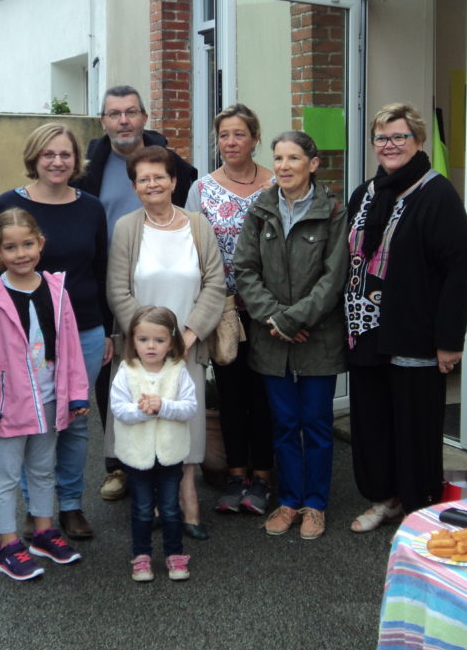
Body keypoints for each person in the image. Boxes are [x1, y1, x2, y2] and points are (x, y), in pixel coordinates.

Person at [345, 103, 467, 533]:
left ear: (418, 141)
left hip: (415, 332)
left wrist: (449, 339)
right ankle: (384, 498)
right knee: (373, 422)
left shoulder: (436, 193)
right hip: (365, 330)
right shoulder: (366, 192)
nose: (390, 145)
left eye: (400, 137)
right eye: (382, 138)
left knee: (415, 424)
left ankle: (420, 509)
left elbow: (461, 265)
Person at [0, 123, 112, 540]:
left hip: (86, 330)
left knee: (72, 419)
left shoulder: (90, 206)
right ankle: (37, 511)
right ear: (34, 158)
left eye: (65, 154)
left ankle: (70, 505)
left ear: (77, 160)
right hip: (26, 335)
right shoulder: (10, 203)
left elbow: (103, 269)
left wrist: (108, 331)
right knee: (30, 420)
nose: (57, 162)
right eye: (48, 154)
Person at [78, 85, 198, 503]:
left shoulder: (171, 164)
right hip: (112, 285)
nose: (123, 121)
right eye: (114, 114)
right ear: (104, 121)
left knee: (167, 376)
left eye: (131, 112)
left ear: (144, 117)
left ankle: (167, 461)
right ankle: (119, 466)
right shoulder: (89, 165)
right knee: (114, 376)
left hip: (163, 283)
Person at [107, 145, 225, 540]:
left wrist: (188, 334)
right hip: (142, 351)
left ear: (175, 181)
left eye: (160, 176)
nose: (152, 183)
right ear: (135, 186)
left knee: (183, 421)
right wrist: (147, 342)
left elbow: (215, 283)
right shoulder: (127, 228)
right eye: (144, 178)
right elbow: (119, 290)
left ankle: (188, 501)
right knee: (145, 419)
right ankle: (155, 501)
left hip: (188, 344)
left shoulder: (197, 224)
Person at [233, 131, 347, 540]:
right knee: (282, 423)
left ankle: (315, 505)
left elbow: (335, 278)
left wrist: (296, 320)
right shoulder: (261, 209)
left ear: (312, 164)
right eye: (278, 158)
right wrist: (276, 320)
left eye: (293, 158)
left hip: (318, 336)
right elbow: (244, 269)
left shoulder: (333, 209)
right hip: (271, 337)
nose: (283, 166)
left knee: (316, 423)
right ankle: (288, 501)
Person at [0, 208, 90, 581]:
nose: (20, 254)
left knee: (41, 468)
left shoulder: (56, 290)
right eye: (10, 247)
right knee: (5, 475)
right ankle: (6, 545)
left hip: (50, 398)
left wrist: (78, 394)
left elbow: (70, 345)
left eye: (27, 244)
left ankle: (43, 532)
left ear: (41, 244)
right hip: (8, 404)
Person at [185, 104, 275, 515]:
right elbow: (194, 250)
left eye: (239, 134)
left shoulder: (276, 184)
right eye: (224, 135)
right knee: (232, 392)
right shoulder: (202, 189)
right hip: (224, 311)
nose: (231, 142)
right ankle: (236, 474)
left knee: (265, 394)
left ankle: (264, 476)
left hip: (269, 310)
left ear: (255, 138)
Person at [110, 306, 198, 582]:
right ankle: (141, 556)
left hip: (170, 454)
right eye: (143, 339)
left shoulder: (178, 371)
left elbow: (189, 408)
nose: (151, 346)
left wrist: (163, 406)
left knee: (171, 508)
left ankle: (174, 555)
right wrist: (143, 410)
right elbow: (119, 409)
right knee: (142, 508)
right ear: (132, 340)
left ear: (171, 342)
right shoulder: (126, 371)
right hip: (137, 455)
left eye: (159, 341)